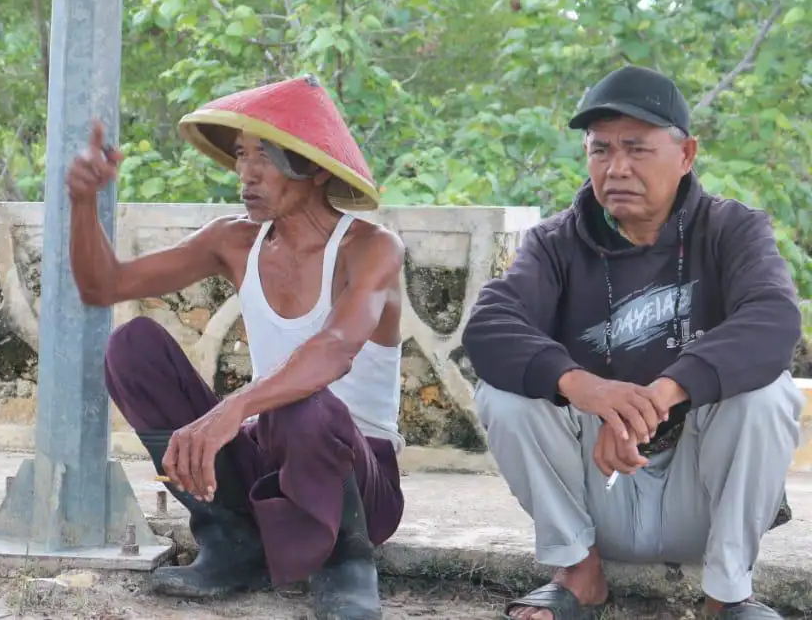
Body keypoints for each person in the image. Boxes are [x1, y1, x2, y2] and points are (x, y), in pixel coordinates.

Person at [462, 66, 804, 620]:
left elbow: (773, 320)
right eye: (600, 150)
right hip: (600, 494)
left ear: (687, 153)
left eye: (637, 149)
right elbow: (489, 325)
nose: (615, 168)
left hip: (704, 495)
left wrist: (662, 395)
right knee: (503, 393)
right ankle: (579, 573)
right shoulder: (555, 242)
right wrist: (588, 390)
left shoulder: (733, 230)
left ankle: (728, 596)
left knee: (769, 395)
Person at [67, 75, 406, 620]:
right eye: (242, 155)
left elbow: (335, 349)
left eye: (265, 158)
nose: (246, 174)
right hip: (270, 459)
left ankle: (346, 562)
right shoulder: (233, 240)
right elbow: (102, 286)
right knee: (133, 348)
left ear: (315, 167)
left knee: (306, 402)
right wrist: (82, 202)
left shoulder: (371, 248)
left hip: (360, 484)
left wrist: (233, 408)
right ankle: (231, 542)